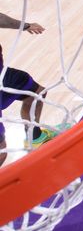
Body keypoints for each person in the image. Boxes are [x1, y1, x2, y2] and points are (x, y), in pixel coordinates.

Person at [0, 12, 61, 167]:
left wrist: (26, 26)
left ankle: (35, 137)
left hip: (3, 76)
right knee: (1, 153)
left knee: (36, 93)